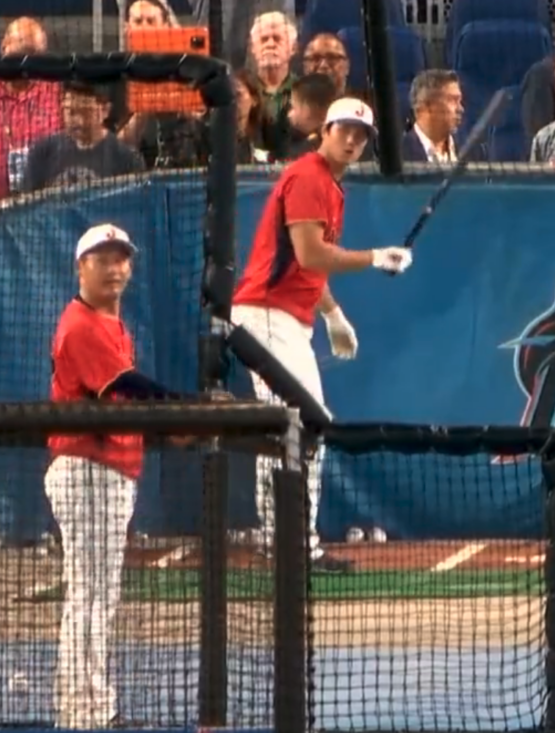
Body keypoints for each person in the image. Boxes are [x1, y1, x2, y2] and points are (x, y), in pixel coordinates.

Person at [231, 98, 413, 574]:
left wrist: (334, 315)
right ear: (324, 130)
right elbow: (311, 254)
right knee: (304, 424)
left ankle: (285, 541)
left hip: (284, 316)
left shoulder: (329, 186)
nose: (352, 140)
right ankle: (292, 544)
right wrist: (374, 257)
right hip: (265, 315)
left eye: (361, 135)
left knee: (289, 428)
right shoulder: (309, 176)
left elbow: (307, 269)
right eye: (345, 130)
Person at [46, 223, 186, 729]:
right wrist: (182, 407)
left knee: (96, 594)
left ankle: (86, 707)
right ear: (80, 267)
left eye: (121, 258)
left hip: (108, 472)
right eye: (102, 258)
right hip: (88, 472)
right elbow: (125, 385)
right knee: (90, 594)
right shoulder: (81, 324)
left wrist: (172, 424)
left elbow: (126, 402)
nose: (115, 267)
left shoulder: (113, 324)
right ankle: (86, 712)